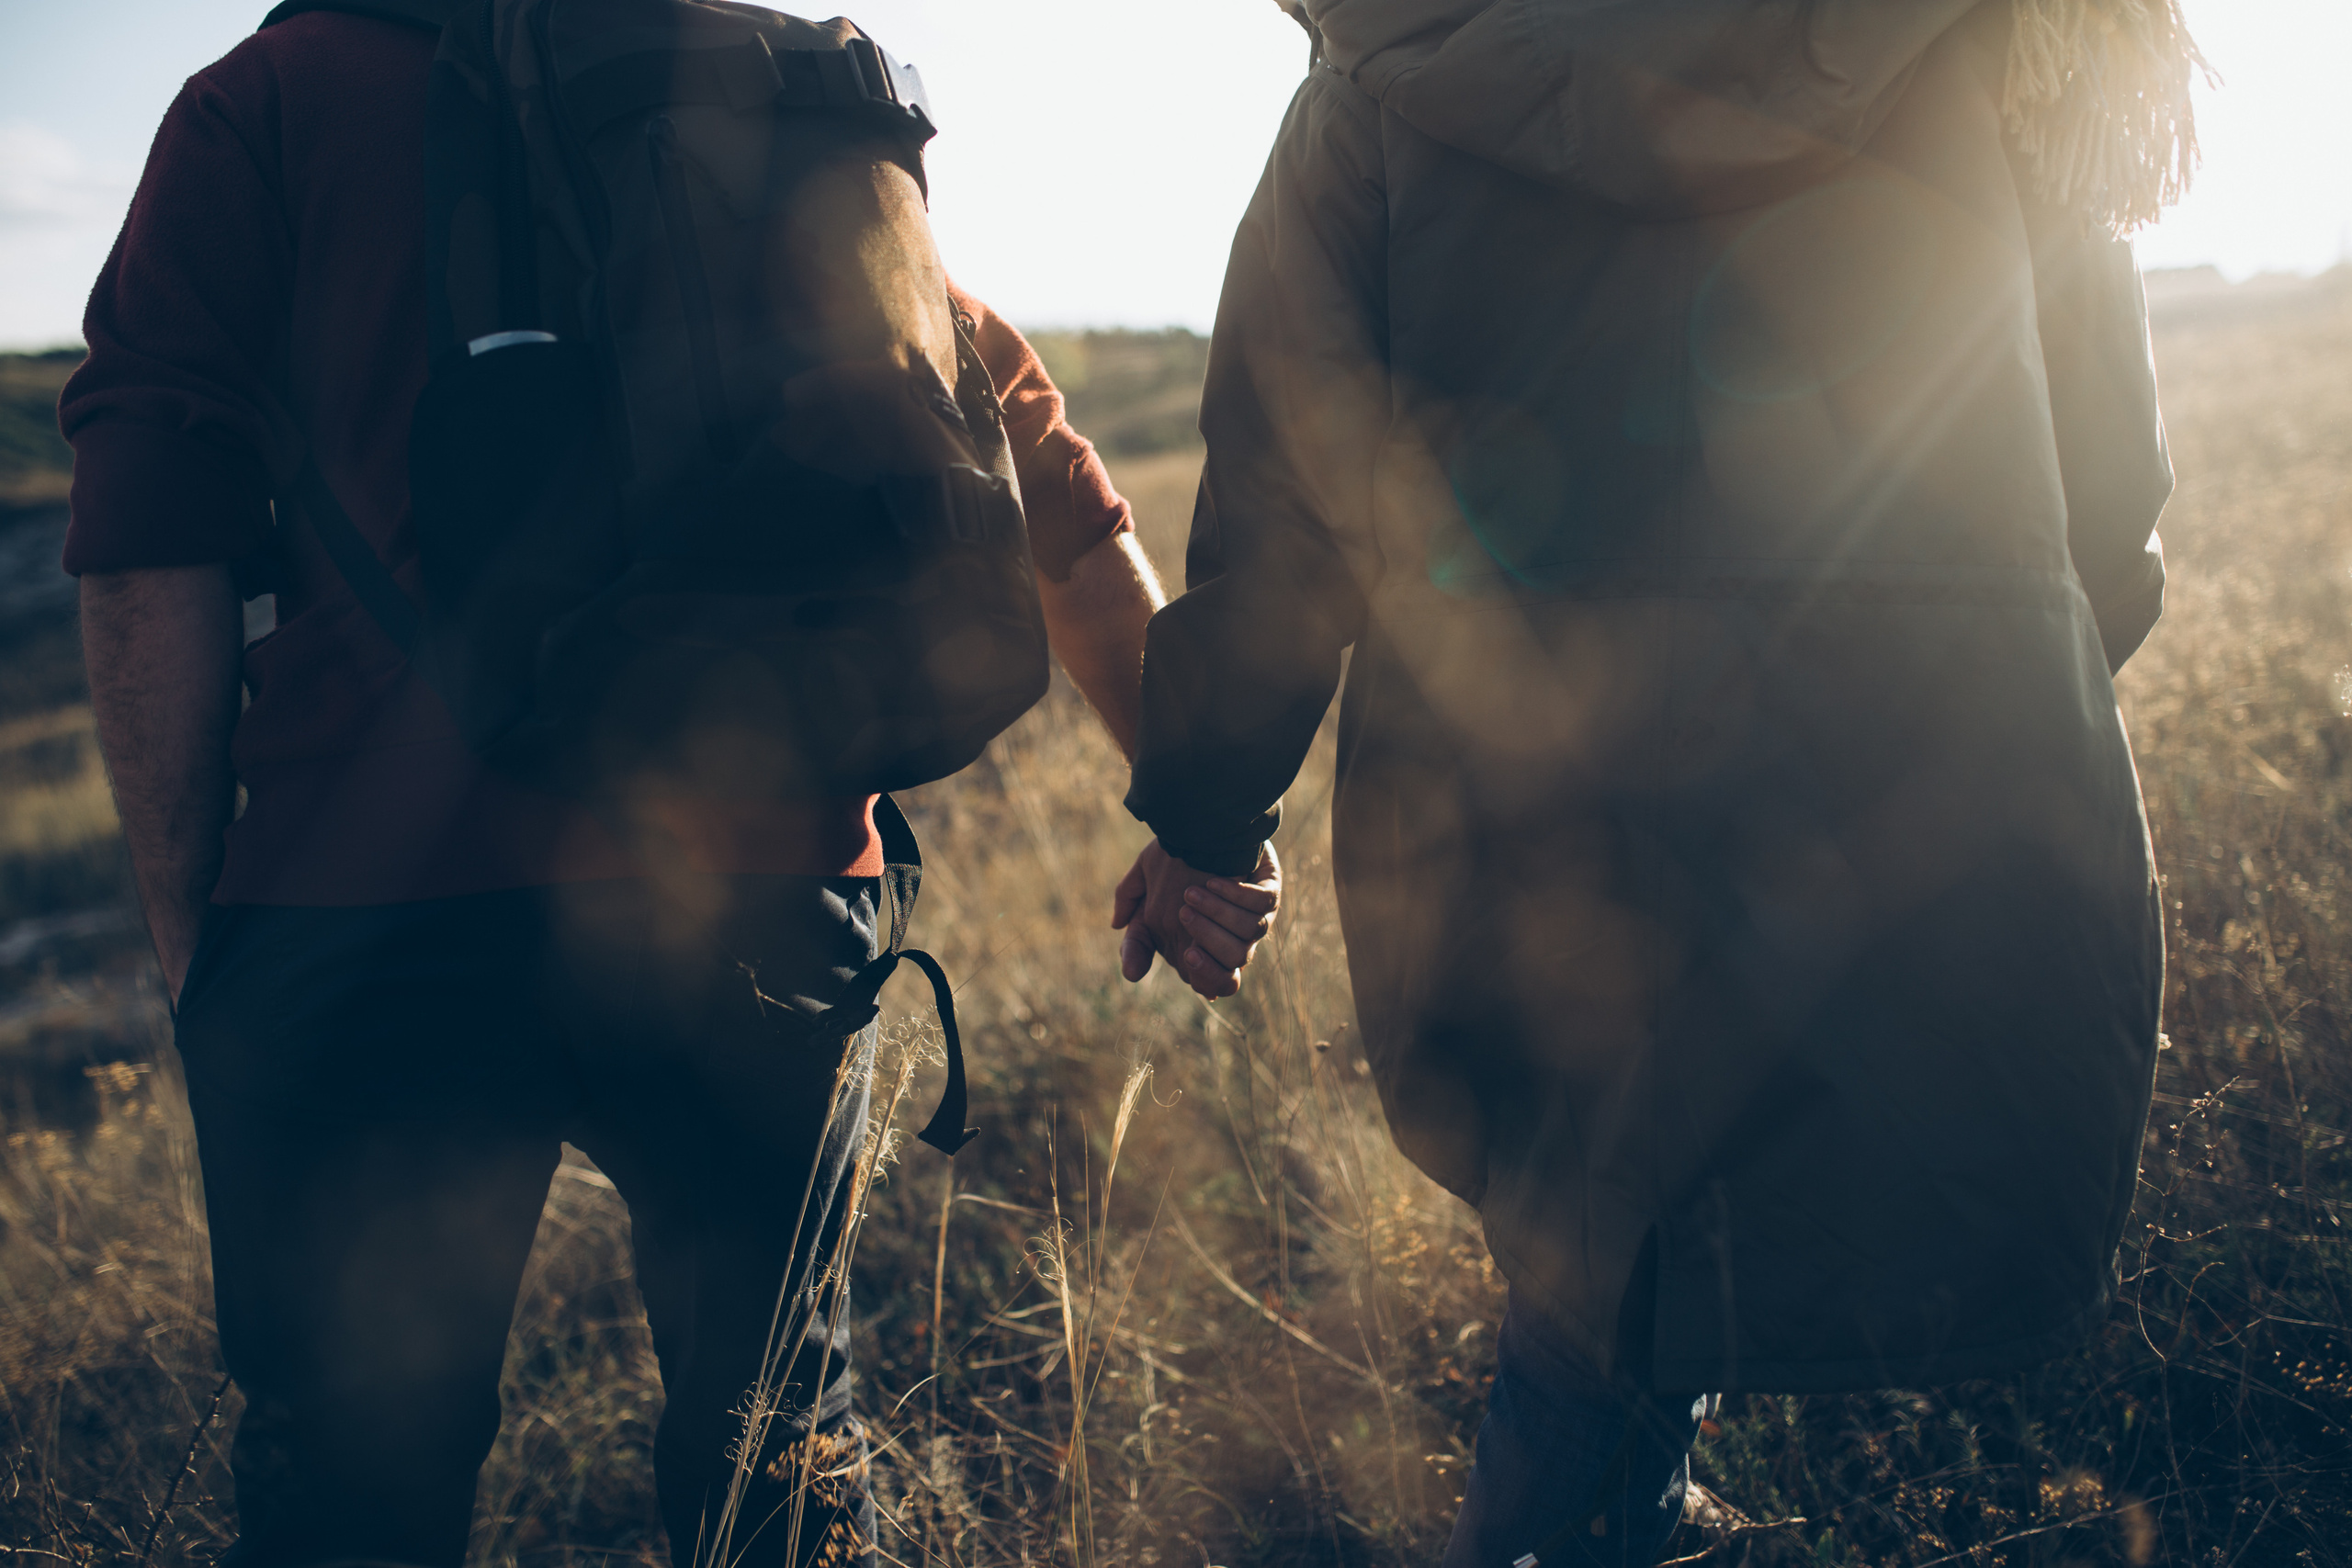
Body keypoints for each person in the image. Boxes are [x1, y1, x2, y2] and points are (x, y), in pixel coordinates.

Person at [61, 8, 1273, 1566]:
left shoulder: (269, 103)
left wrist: (197, 956)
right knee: (779, 1443)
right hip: (761, 891)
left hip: (367, 917)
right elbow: (1055, 501)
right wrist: (1192, 821)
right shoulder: (766, 94)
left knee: (353, 1490)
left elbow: (150, 533)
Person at [1117, 1, 2193, 1562]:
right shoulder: (1990, 53)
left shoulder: (1382, 82)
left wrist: (1210, 817)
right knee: (1648, 1291)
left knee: (1594, 1274)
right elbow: (2110, 488)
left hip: (1525, 823)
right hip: (1924, 791)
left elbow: (1286, 513)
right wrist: (1991, 701)